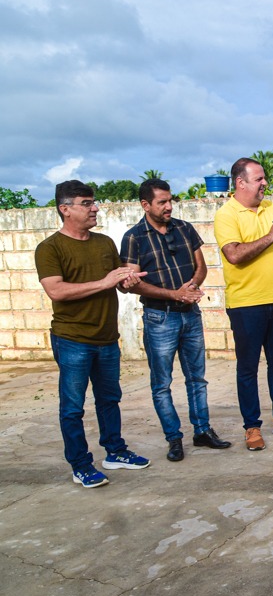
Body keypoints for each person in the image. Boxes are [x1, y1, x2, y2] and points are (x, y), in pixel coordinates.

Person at [35, 180, 150, 488]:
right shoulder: (50, 248)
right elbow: (56, 291)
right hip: (72, 339)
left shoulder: (103, 243)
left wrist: (127, 281)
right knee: (73, 407)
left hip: (106, 338)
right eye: (86, 203)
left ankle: (115, 451)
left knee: (110, 398)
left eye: (94, 202)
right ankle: (81, 464)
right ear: (65, 209)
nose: (95, 208)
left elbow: (115, 281)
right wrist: (105, 281)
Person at [121, 179, 231, 462]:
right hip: (160, 318)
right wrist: (175, 294)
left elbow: (201, 266)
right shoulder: (134, 238)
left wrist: (191, 288)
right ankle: (174, 438)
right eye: (162, 202)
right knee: (162, 383)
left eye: (170, 200)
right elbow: (132, 283)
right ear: (146, 205)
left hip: (190, 314)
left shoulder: (184, 228)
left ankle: (203, 431)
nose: (169, 206)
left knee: (197, 378)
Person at [214, 158, 273, 451]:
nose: (265, 183)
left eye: (264, 178)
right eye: (259, 179)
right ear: (240, 183)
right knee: (248, 368)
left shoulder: (271, 208)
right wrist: (271, 234)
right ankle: (251, 427)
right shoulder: (226, 215)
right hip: (245, 304)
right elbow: (234, 254)